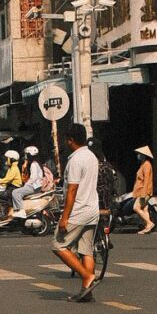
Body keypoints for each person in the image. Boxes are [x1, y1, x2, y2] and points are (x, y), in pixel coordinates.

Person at [54, 122, 101, 300]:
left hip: (78, 210)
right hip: (92, 209)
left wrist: (64, 217)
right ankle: (86, 292)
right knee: (86, 251)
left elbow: (72, 190)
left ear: (71, 140)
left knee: (58, 245)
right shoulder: (91, 156)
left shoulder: (75, 160)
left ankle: (87, 276)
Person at [131, 144, 157, 234]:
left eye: (139, 154)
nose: (138, 155)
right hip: (141, 191)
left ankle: (149, 223)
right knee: (145, 209)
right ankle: (147, 226)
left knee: (136, 207)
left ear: (143, 155)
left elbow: (146, 180)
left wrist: (144, 193)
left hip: (144, 191)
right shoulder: (143, 164)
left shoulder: (147, 165)